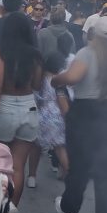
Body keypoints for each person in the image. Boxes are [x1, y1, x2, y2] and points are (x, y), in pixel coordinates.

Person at [52, 16, 107, 213]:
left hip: (85, 116)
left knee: (80, 164)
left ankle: (70, 208)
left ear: (93, 35)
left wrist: (56, 79)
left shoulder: (86, 54)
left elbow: (72, 78)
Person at [0, 12, 43, 213]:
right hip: (29, 107)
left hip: (6, 107)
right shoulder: (36, 55)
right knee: (18, 166)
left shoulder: (0, 52)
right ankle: (12, 211)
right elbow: (37, 85)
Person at [34, 51, 70, 182]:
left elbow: (38, 97)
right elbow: (62, 100)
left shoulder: (43, 78)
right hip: (57, 116)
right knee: (60, 147)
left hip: (43, 115)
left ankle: (32, 175)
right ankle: (68, 172)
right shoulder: (59, 80)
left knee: (36, 146)